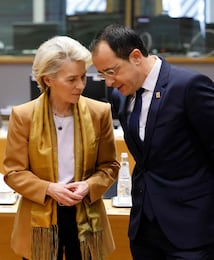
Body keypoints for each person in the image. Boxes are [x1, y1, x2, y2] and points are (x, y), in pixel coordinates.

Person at [90, 23, 214, 259]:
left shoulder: (188, 87)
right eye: (102, 74)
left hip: (191, 230)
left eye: (111, 71)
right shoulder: (121, 96)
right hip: (145, 229)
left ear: (136, 56)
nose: (108, 82)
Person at [3, 36, 120, 260]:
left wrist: (88, 185)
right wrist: (49, 188)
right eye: (72, 79)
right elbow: (13, 172)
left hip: (86, 212)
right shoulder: (23, 116)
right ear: (48, 80)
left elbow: (110, 166)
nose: (81, 86)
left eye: (84, 77)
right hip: (41, 213)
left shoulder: (100, 113)